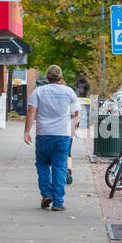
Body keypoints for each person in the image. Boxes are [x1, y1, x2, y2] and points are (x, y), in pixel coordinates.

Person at [24, 64, 81, 211]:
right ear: (60, 77)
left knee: (42, 164)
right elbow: (76, 114)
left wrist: (26, 132)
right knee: (60, 167)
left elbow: (31, 112)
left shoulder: (39, 91)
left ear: (47, 78)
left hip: (43, 134)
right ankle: (58, 202)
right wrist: (71, 129)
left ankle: (46, 194)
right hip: (62, 135)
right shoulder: (69, 92)